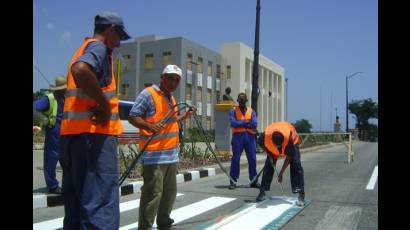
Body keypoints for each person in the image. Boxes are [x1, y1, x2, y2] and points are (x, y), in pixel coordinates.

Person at [59, 11, 131, 229]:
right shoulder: (99, 48)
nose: (119, 44)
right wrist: (104, 106)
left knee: (77, 205)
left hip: (72, 137)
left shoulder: (82, 48)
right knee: (100, 204)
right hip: (94, 137)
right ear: (110, 31)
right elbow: (82, 70)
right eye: (119, 37)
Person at [128, 64, 196, 230]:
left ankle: (164, 223)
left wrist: (185, 116)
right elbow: (132, 116)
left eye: (177, 80)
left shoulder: (170, 98)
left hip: (171, 156)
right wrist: (149, 126)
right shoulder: (148, 94)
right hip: (154, 156)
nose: (173, 82)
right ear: (162, 77)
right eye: (170, 78)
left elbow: (170, 122)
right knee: (153, 195)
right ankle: (145, 227)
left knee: (169, 194)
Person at [255, 121, 305, 206]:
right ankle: (262, 192)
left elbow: (289, 157)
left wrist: (281, 173)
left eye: (279, 146)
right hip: (273, 145)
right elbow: (260, 143)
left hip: (293, 141)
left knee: (296, 165)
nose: (278, 148)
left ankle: (301, 194)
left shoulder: (288, 140)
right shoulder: (266, 135)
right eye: (276, 146)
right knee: (268, 166)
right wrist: (269, 154)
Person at [33, 76, 67, 194]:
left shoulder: (65, 98)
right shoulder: (50, 98)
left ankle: (67, 184)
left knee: (67, 159)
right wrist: (45, 120)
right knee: (51, 159)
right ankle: (52, 186)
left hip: (65, 131)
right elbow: (34, 108)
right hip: (54, 132)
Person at [228, 93, 260, 189]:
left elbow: (254, 124)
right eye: (240, 100)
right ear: (238, 101)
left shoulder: (251, 111)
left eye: (243, 100)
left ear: (246, 101)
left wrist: (241, 123)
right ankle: (233, 181)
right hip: (238, 138)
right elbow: (233, 123)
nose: (241, 102)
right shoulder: (233, 110)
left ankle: (254, 180)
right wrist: (246, 123)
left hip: (250, 138)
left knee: (252, 159)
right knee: (236, 159)